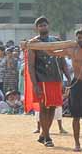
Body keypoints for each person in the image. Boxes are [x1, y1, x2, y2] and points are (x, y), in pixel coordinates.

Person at [24, 16, 68, 147]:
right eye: (40, 25)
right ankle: (48, 137)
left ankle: (43, 134)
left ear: (48, 26)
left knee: (53, 107)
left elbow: (62, 60)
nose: (43, 27)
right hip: (42, 80)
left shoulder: (56, 41)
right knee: (43, 108)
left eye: (45, 25)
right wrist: (35, 83)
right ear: (36, 28)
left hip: (56, 78)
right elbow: (31, 66)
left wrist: (68, 76)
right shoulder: (33, 43)